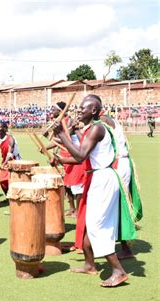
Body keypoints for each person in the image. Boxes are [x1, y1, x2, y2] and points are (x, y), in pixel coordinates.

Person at [52, 95, 130, 287]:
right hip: (99, 177)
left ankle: (118, 270)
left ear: (94, 111)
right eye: (79, 108)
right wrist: (61, 158)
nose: (79, 111)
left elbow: (80, 156)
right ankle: (89, 265)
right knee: (88, 222)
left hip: (102, 179)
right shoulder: (91, 129)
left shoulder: (97, 128)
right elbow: (82, 154)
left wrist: (63, 135)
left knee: (96, 225)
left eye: (83, 108)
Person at [100, 112, 143, 260]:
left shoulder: (102, 120)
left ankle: (124, 246)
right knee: (118, 204)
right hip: (122, 162)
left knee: (118, 205)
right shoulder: (109, 119)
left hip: (118, 164)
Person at [46, 101, 84, 217]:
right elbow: (59, 141)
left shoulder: (70, 121)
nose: (52, 111)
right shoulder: (58, 122)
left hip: (73, 154)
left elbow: (65, 139)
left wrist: (48, 137)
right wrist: (46, 148)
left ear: (61, 111)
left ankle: (78, 210)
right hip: (64, 153)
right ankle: (72, 209)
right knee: (67, 183)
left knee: (76, 183)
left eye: (54, 109)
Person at [0, 122, 21, 194]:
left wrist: (5, 163)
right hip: (5, 161)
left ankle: (13, 197)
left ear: (5, 129)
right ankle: (8, 197)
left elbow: (10, 154)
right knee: (2, 182)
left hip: (14, 160)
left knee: (13, 181)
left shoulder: (10, 138)